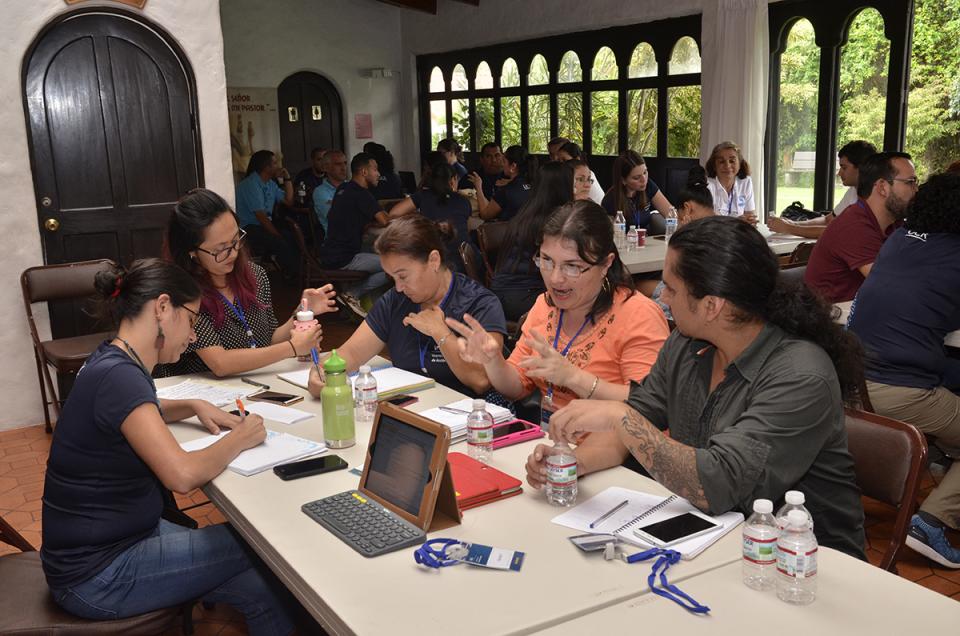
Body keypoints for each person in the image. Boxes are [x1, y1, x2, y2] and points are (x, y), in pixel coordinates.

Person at [541, 216, 867, 558]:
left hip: (803, 559)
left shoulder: (801, 375)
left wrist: (621, 418)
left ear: (712, 305)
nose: (663, 297)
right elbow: (640, 418)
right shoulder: (686, 343)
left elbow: (720, 484)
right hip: (713, 535)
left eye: (672, 288)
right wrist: (571, 464)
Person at [40, 258, 296, 634]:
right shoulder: (122, 377)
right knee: (264, 544)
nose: (193, 336)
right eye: (192, 320)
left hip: (113, 544)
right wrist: (240, 438)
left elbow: (134, 411)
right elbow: (181, 474)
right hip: (99, 574)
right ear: (162, 308)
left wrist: (190, 404)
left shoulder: (112, 358)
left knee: (261, 585)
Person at [447, 200, 670, 478]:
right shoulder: (545, 306)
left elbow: (649, 407)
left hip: (622, 467)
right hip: (555, 450)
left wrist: (573, 377)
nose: (555, 278)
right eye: (546, 261)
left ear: (605, 264)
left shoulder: (637, 315)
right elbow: (515, 386)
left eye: (572, 266)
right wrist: (493, 361)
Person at [847, 172, 960, 568]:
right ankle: (932, 521)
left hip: (855, 383)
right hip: (901, 389)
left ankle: (939, 462)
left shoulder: (898, 240)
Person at [307, 215, 507, 400]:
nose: (399, 287)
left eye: (403, 276)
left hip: (470, 421)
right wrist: (323, 371)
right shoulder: (396, 301)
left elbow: (481, 380)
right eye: (392, 278)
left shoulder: (480, 304)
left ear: (434, 260)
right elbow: (351, 354)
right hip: (414, 413)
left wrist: (440, 332)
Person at [156, 188, 336, 378]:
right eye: (221, 249)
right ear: (192, 252)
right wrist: (292, 347)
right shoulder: (184, 294)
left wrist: (301, 313)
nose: (233, 253)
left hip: (253, 385)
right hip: (203, 393)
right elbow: (220, 363)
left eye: (235, 241)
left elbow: (268, 340)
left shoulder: (255, 275)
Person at [804, 152, 917, 303]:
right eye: (910, 182)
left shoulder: (894, 223)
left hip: (859, 312)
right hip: (829, 320)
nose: (916, 189)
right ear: (883, 187)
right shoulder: (854, 225)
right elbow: (892, 285)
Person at [490, 161, 574, 322]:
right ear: (564, 187)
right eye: (576, 181)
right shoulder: (555, 220)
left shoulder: (529, 211)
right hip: (522, 297)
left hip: (501, 292)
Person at [321, 152, 392, 312]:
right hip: (344, 258)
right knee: (394, 264)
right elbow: (386, 222)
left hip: (329, 253)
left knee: (372, 248)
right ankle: (352, 293)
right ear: (364, 172)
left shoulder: (344, 188)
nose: (378, 174)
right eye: (375, 169)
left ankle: (367, 303)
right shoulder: (361, 194)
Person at [767, 140, 877, 239]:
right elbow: (828, 220)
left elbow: (836, 232)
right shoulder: (853, 191)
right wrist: (793, 223)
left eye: (844, 168)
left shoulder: (874, 198)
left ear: (862, 168)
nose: (839, 173)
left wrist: (789, 228)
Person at [650, 166, 715, 319]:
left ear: (686, 208)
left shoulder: (697, 233)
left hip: (691, 300)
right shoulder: (718, 225)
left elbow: (681, 273)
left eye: (678, 216)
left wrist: (685, 237)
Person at [388, 162, 474, 271]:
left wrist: (417, 219)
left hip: (434, 259)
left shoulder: (423, 196)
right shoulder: (463, 200)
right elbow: (467, 229)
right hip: (465, 262)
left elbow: (394, 214)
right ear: (453, 180)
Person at [234, 150, 299, 274]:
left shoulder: (270, 184)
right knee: (280, 241)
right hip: (248, 227)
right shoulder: (251, 184)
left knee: (292, 234)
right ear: (266, 167)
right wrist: (276, 234)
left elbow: (289, 201)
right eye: (274, 163)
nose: (278, 166)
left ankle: (295, 270)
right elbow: (260, 216)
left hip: (263, 224)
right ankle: (294, 274)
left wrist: (287, 178)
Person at [601, 150, 674, 233]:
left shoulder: (648, 186)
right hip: (625, 242)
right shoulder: (610, 201)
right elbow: (607, 235)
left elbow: (671, 214)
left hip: (647, 240)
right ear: (623, 180)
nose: (644, 180)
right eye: (636, 177)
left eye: (645, 172)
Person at [477, 145, 536, 222]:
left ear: (513, 166)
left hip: (511, 232)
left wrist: (478, 187)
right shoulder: (536, 184)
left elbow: (485, 215)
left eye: (504, 161)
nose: (502, 165)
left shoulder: (506, 191)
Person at [705, 141, 757, 224]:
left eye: (732, 161)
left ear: (740, 164)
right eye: (721, 162)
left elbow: (750, 215)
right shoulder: (707, 185)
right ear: (714, 166)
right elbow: (708, 221)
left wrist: (750, 220)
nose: (727, 166)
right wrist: (736, 222)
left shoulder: (746, 182)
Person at [311, 149, 348, 243]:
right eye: (338, 164)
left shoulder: (351, 187)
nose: (343, 168)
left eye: (345, 163)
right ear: (326, 167)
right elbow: (337, 217)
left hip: (357, 236)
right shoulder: (320, 192)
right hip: (337, 242)